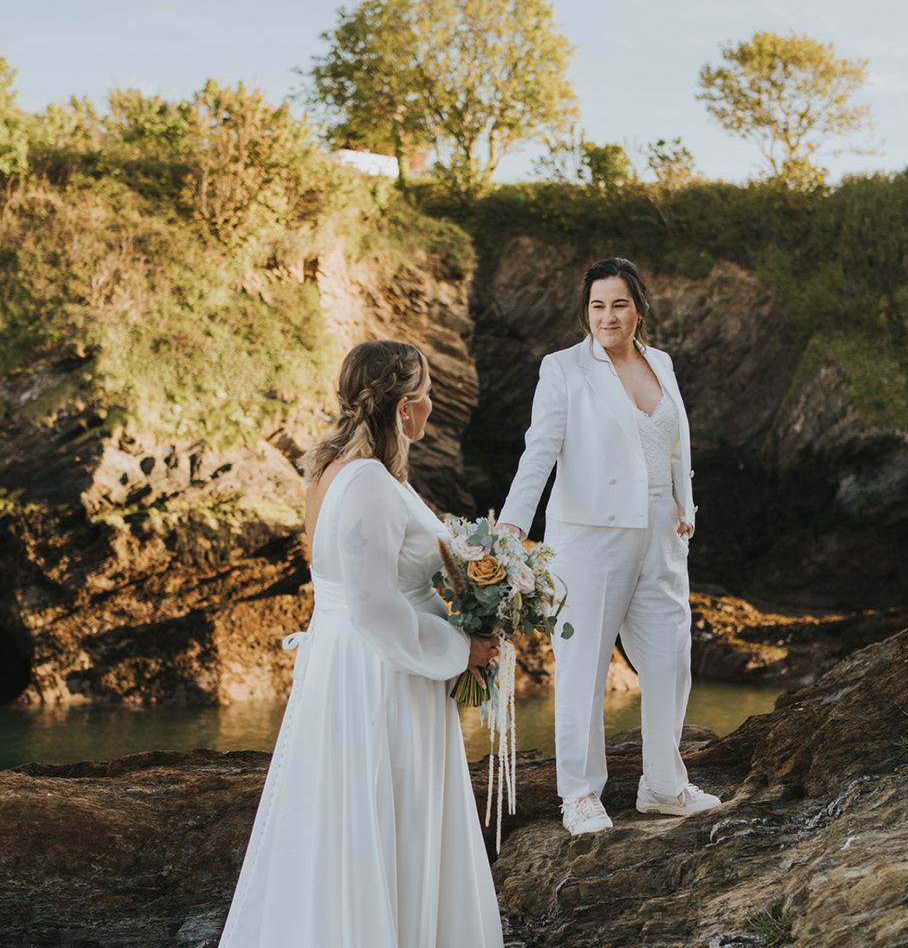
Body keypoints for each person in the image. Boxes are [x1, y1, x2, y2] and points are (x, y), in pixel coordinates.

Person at [219, 340, 504, 947]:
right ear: (404, 407)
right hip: (383, 680)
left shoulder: (336, 470)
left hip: (352, 668)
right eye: (426, 393)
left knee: (354, 823)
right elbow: (374, 608)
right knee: (385, 818)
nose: (431, 404)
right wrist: (462, 648)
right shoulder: (369, 481)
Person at [498, 257, 721, 836]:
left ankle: (664, 786)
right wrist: (513, 526)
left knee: (671, 662)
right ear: (586, 311)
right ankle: (580, 794)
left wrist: (684, 507)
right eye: (597, 305)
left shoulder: (662, 363)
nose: (608, 316)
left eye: (619, 304)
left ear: (638, 309)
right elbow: (539, 448)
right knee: (582, 667)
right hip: (589, 538)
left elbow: (675, 448)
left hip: (662, 535)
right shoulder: (563, 368)